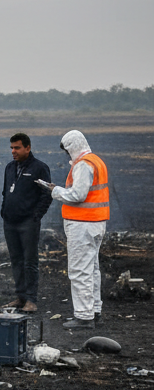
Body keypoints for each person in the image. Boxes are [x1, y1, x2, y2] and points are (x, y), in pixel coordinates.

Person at [42, 131, 110, 328]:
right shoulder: (96, 160)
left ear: (72, 147)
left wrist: (56, 191)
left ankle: (84, 316)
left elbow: (78, 195)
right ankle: (94, 311)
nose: (67, 154)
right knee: (92, 269)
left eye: (67, 150)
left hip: (83, 224)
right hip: (96, 223)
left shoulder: (83, 164)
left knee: (80, 270)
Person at [0, 132, 52, 313]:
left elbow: (46, 194)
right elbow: (6, 192)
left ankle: (31, 299)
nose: (13, 151)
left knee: (30, 261)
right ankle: (20, 296)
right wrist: (4, 211)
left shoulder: (40, 168)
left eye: (17, 148)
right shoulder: (9, 167)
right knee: (16, 260)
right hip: (10, 222)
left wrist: (36, 216)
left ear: (28, 148)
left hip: (28, 223)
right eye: (11, 148)